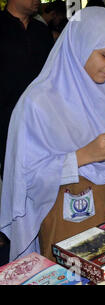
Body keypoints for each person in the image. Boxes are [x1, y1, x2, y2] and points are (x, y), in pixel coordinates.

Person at [0, 7, 105, 263]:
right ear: (80, 46)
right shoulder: (38, 103)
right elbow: (25, 180)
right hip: (63, 216)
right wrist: (82, 155)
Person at [0, 0, 54, 179]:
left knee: (41, 175)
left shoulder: (41, 30)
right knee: (12, 175)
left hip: (41, 119)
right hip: (6, 119)